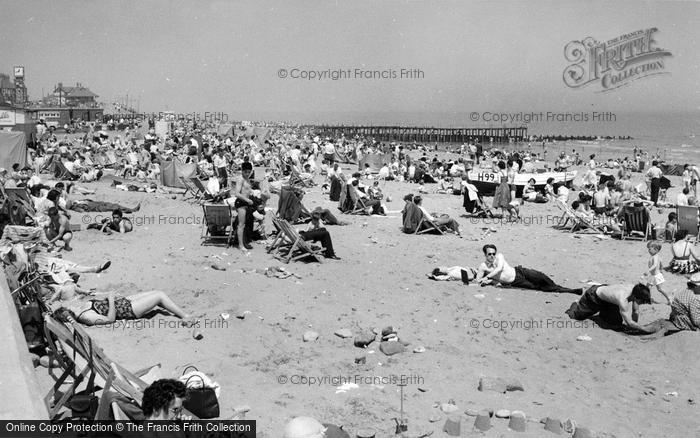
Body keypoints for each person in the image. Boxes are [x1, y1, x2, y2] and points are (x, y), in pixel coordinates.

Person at [476, 244, 581, 293]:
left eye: (493, 253)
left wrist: (488, 277)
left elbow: (498, 269)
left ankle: (567, 289)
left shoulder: (499, 257)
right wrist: (486, 280)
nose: (492, 256)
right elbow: (478, 279)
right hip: (515, 282)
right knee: (539, 287)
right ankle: (567, 291)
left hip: (520, 272)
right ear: (485, 254)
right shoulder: (483, 266)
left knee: (542, 277)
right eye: (489, 254)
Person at [52, 290, 192, 326]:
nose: (67, 307)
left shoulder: (79, 310)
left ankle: (174, 310)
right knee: (159, 296)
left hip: (124, 302)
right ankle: (185, 316)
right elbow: (110, 319)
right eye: (65, 309)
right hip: (129, 310)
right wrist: (111, 300)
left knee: (157, 293)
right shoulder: (86, 317)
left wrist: (109, 297)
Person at [565, 283, 657, 332]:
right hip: (594, 296)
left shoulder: (635, 289)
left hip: (609, 298)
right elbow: (629, 322)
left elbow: (635, 311)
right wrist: (643, 328)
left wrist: (636, 326)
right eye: (641, 302)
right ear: (636, 297)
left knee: (615, 323)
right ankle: (575, 304)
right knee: (576, 316)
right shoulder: (622, 299)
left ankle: (603, 314)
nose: (641, 304)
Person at [232, 162, 255, 250]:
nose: (247, 174)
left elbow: (247, 190)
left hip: (246, 203)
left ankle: (244, 242)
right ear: (242, 171)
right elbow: (237, 193)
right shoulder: (240, 179)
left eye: (249, 172)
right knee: (241, 225)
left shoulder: (247, 179)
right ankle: (241, 245)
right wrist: (247, 200)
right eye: (245, 172)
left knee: (245, 223)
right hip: (241, 203)